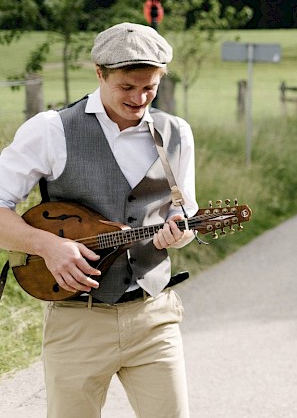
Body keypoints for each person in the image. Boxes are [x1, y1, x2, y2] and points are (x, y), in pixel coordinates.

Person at [0, 22, 198, 418]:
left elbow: (184, 213)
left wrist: (177, 235)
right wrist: (48, 246)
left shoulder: (175, 133)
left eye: (150, 87)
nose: (139, 98)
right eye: (127, 87)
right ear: (99, 73)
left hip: (153, 315)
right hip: (77, 322)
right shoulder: (51, 131)